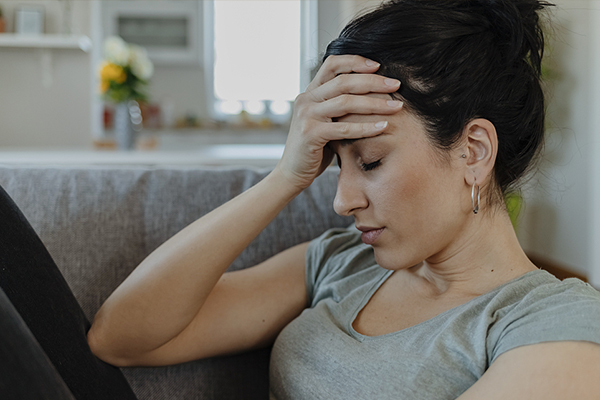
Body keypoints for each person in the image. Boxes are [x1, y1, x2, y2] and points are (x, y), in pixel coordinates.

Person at [2, 0, 596, 399]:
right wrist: (285, 175)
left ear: (472, 151)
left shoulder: (548, 321)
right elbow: (119, 337)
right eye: (337, 165)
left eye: (371, 162)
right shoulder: (341, 262)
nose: (341, 201)